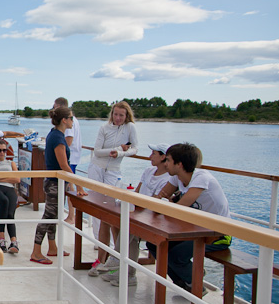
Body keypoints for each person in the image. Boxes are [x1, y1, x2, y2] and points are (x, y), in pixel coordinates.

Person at [152, 143, 233, 292]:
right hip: (195, 229)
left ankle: (196, 286)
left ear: (179, 164)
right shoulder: (177, 177)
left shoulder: (201, 178)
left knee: (176, 256)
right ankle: (185, 283)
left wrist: (168, 202)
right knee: (154, 243)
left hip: (217, 234)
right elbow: (159, 198)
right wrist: (163, 200)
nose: (166, 164)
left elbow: (180, 209)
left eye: (168, 160)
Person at [100, 144, 171, 286]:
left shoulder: (168, 179)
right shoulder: (149, 171)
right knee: (124, 225)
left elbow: (157, 203)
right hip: (138, 211)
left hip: (152, 217)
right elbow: (137, 192)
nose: (150, 156)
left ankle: (116, 258)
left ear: (163, 157)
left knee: (129, 228)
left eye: (154, 153)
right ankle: (128, 275)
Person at [87, 100, 139, 275]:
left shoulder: (130, 127)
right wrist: (116, 148)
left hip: (113, 170)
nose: (117, 118)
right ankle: (100, 244)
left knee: (110, 209)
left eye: (121, 115)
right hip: (97, 167)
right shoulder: (104, 127)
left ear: (126, 116)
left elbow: (135, 149)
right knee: (96, 206)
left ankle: (113, 254)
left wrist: (122, 152)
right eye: (115, 114)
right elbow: (97, 150)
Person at [32, 107, 87, 265]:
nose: (72, 121)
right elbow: (64, 165)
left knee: (53, 216)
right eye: (71, 118)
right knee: (48, 217)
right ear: (64, 120)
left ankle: (52, 247)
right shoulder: (58, 138)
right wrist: (79, 185)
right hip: (54, 184)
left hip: (54, 182)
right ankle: (36, 251)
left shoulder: (54, 134)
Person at [54, 97, 82, 225]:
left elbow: (68, 142)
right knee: (68, 186)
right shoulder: (72, 120)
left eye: (55, 107)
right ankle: (71, 214)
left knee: (70, 186)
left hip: (71, 159)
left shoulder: (68, 122)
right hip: (73, 157)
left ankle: (71, 215)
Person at [0, 139, 20, 254]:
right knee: (4, 201)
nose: (2, 153)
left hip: (10, 188)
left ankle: (14, 241)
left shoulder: (11, 163)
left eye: (4, 150)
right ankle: (1, 238)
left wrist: (0, 177)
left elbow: (17, 179)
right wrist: (8, 177)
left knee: (10, 213)